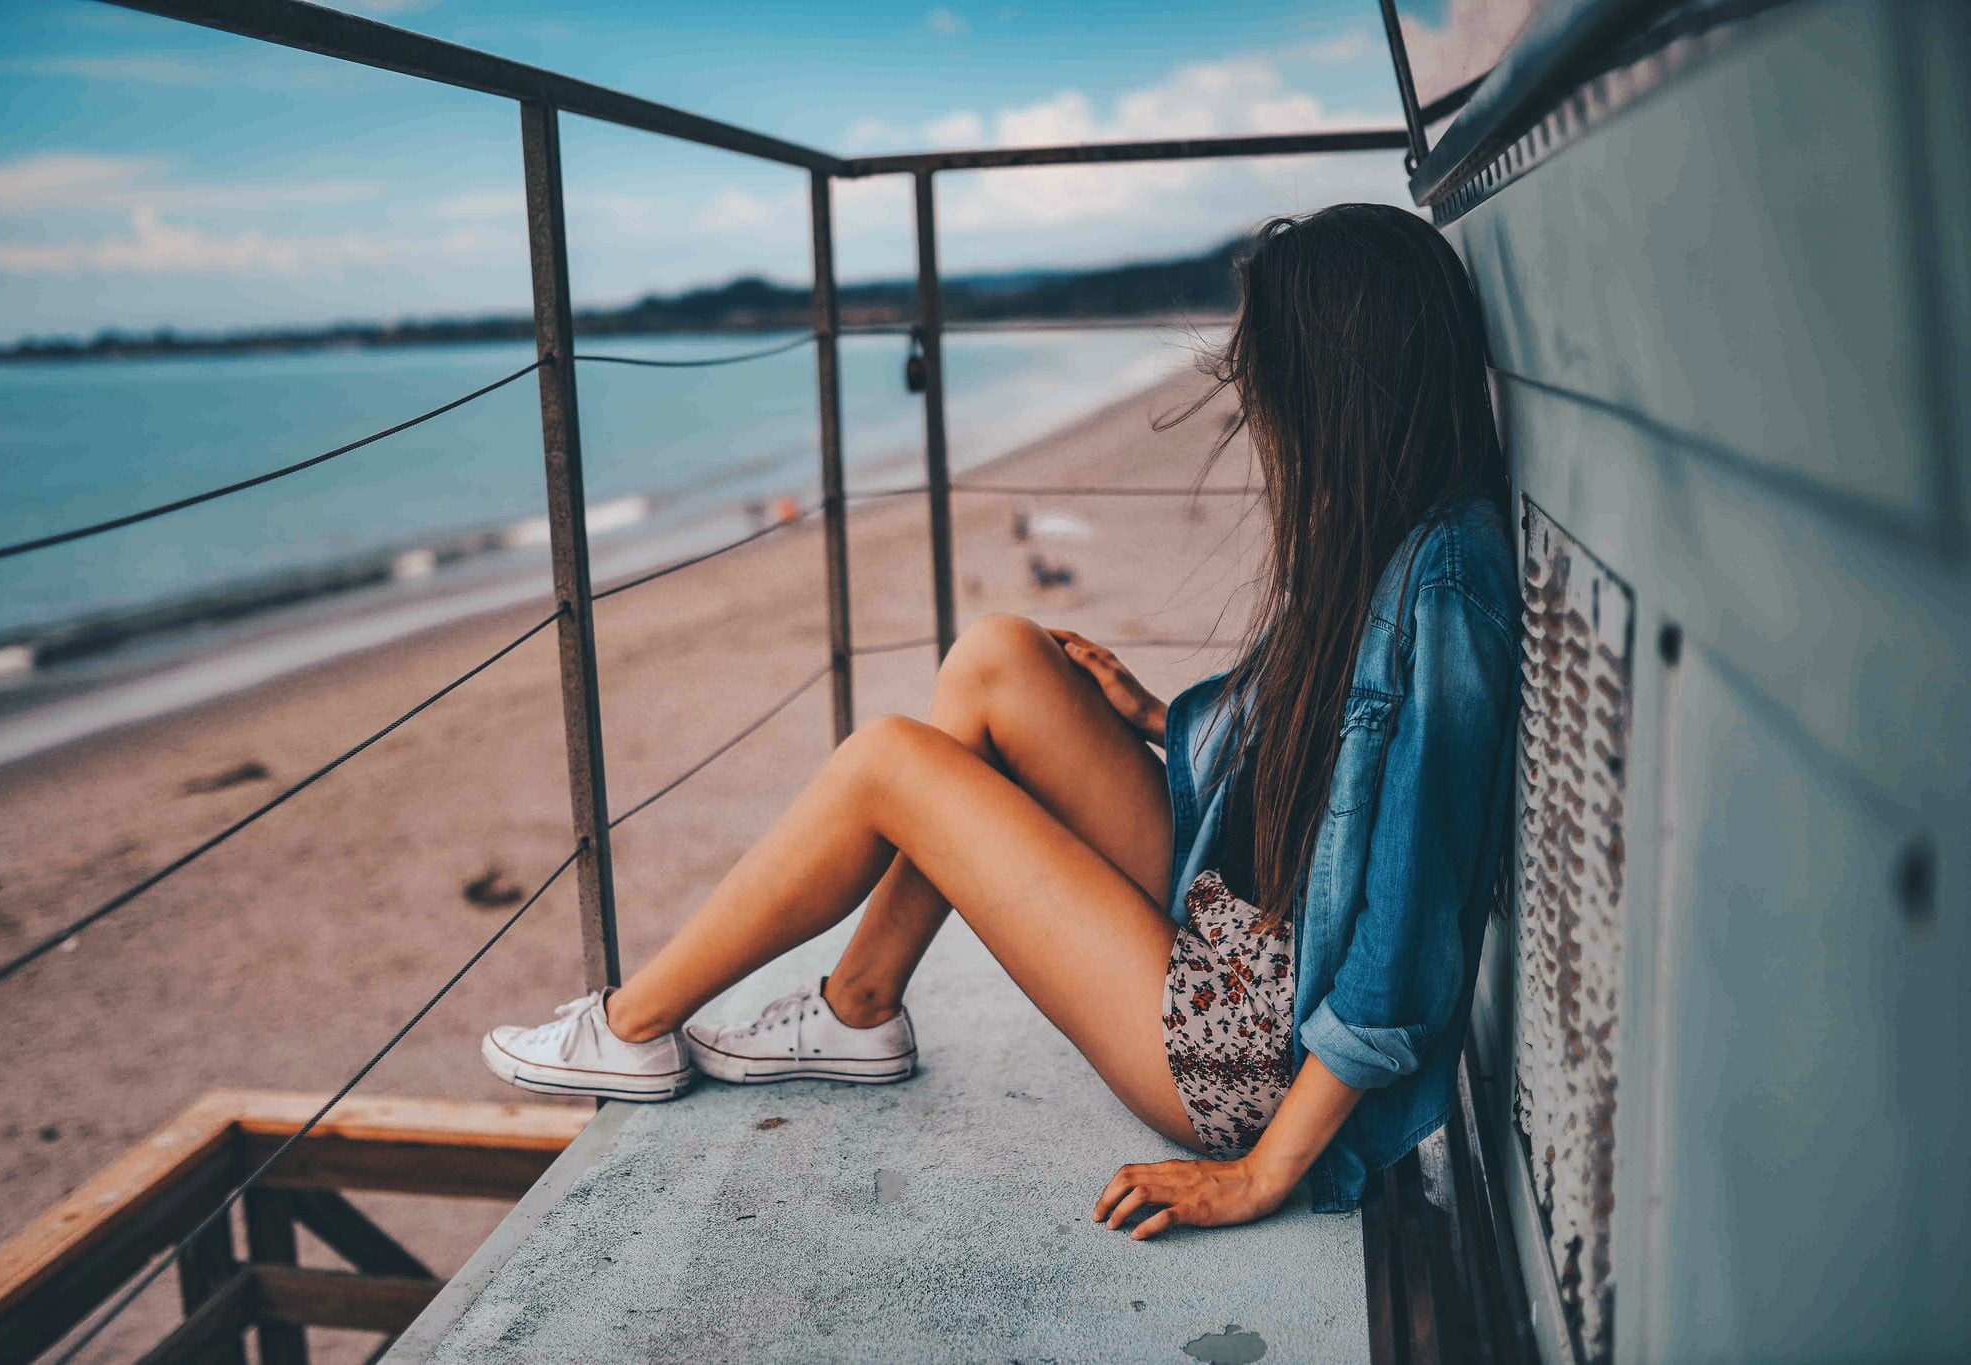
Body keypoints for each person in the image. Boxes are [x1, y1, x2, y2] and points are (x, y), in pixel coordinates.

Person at [480, 203, 1521, 1238]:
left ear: (1343, 387)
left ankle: (631, 1027)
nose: (1256, 412)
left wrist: (1261, 1173)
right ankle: (858, 1002)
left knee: (886, 763)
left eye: (1273, 382)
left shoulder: (1442, 582)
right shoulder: (1390, 530)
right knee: (997, 656)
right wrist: (1158, 720)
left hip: (1247, 1052)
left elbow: (1400, 942)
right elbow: (1321, 779)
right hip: (1243, 929)